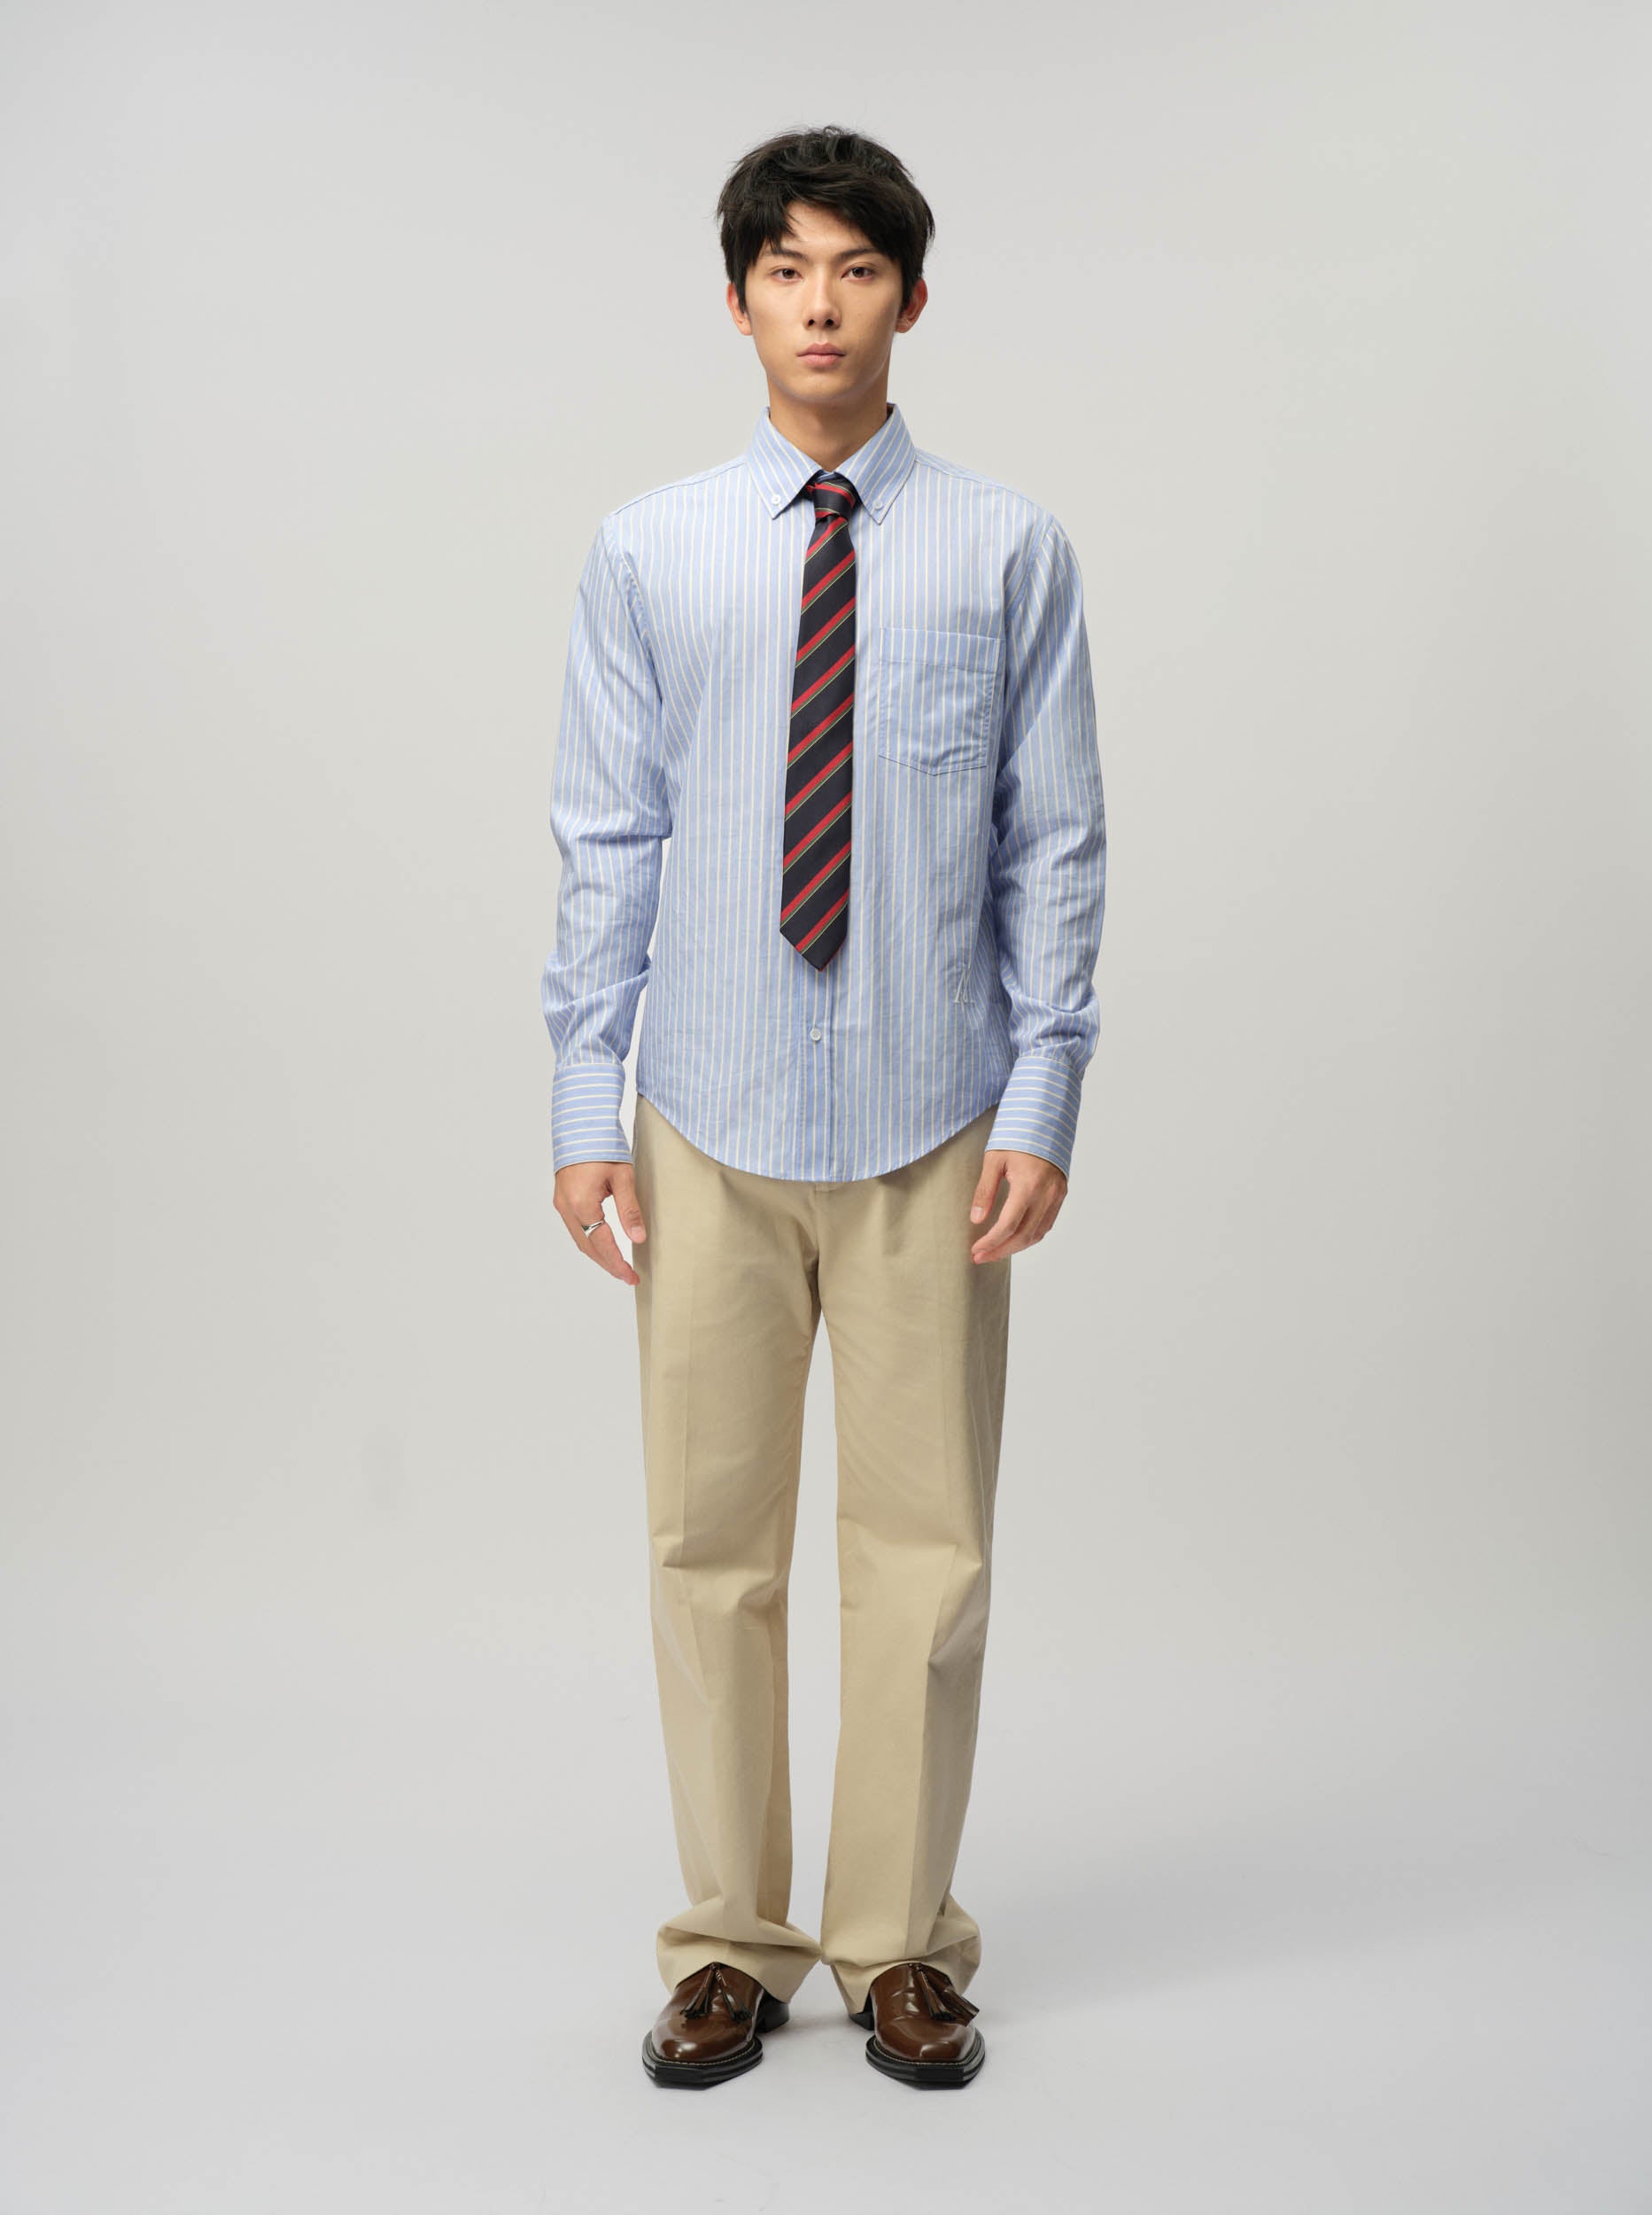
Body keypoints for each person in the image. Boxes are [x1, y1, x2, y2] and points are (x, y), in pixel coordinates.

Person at [541, 123, 1106, 2089]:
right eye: (785, 268)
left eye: (856, 268)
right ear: (737, 301)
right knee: (709, 1542)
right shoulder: (651, 548)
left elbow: (1053, 840)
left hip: (933, 1118)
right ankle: (727, 1937)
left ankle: (895, 1943)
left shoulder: (1007, 549)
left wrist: (1043, 1089)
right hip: (701, 1112)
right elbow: (606, 834)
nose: (820, 303)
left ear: (910, 299)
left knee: (925, 1553)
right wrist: (584, 1099)